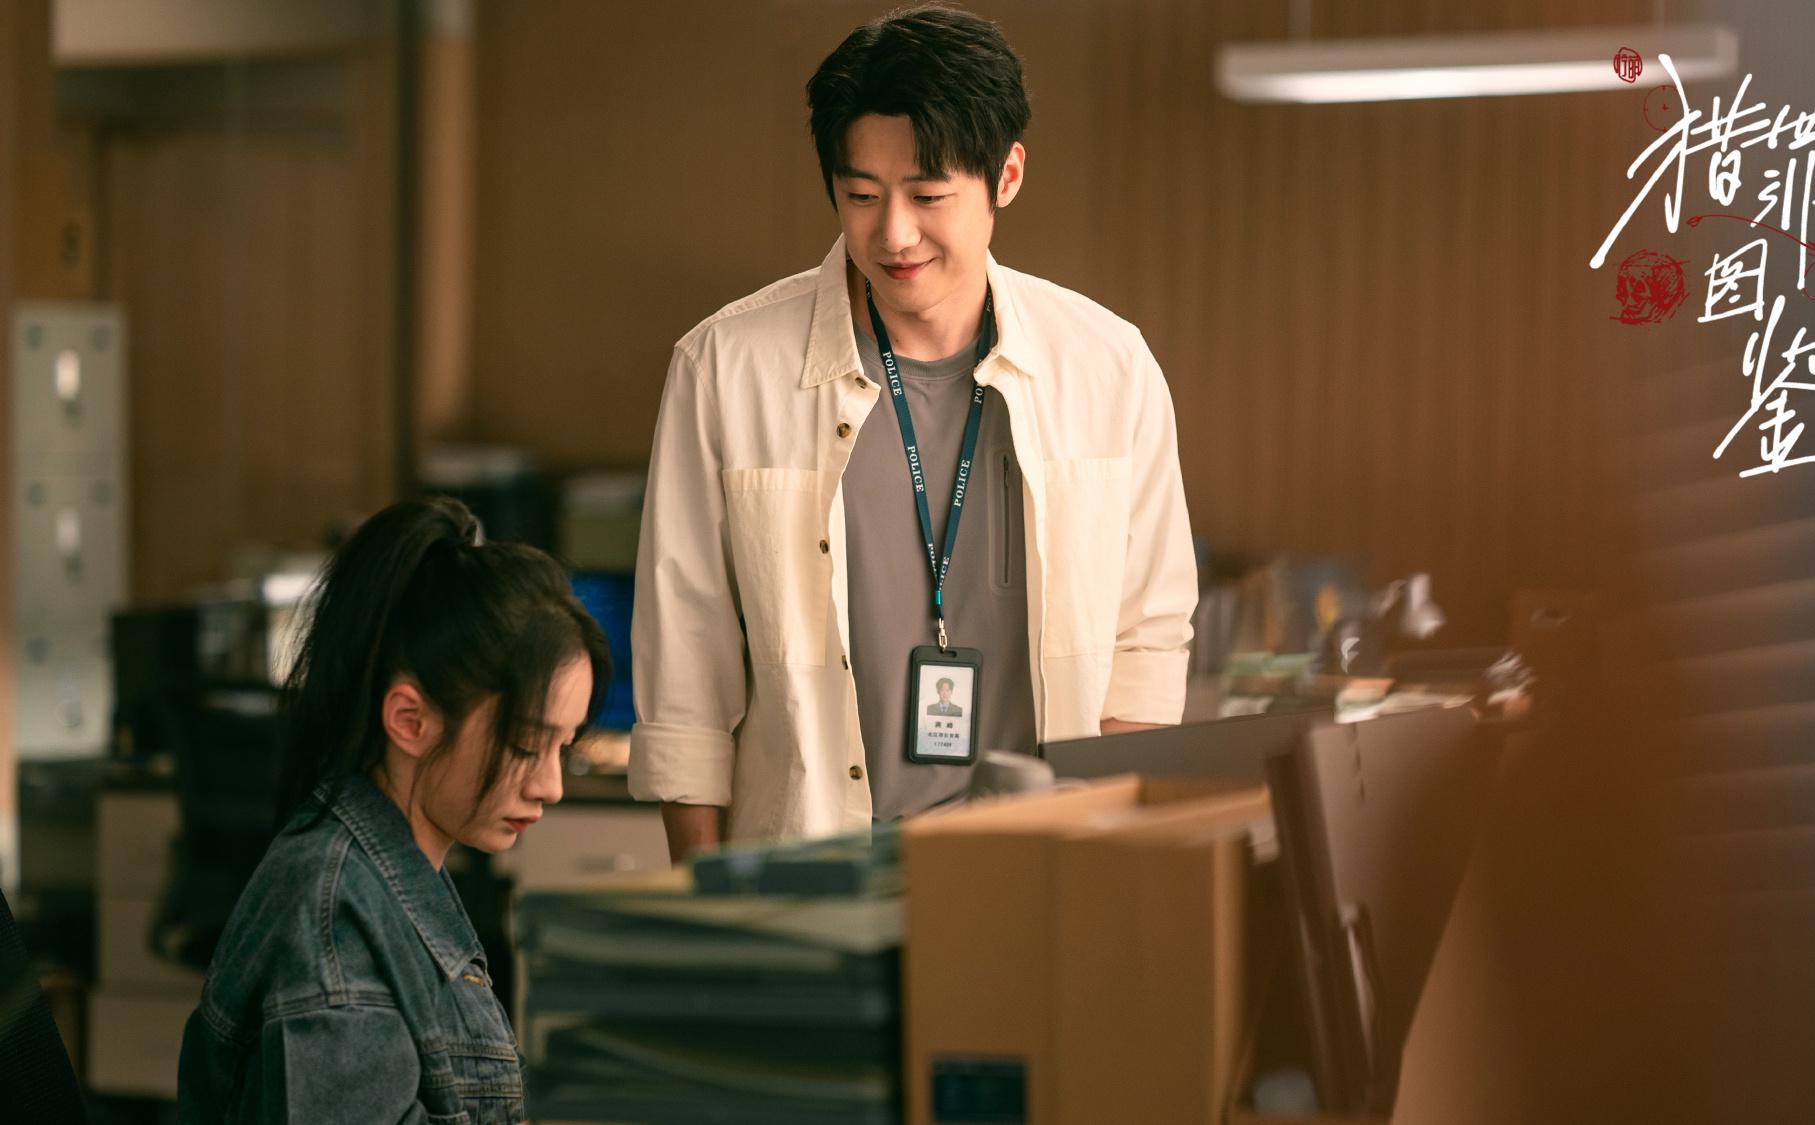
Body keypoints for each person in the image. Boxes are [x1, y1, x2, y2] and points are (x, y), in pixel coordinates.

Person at [632, 4, 1197, 856]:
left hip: (1039, 869)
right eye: (861, 196)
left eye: (929, 196)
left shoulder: (1109, 368)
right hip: (808, 877)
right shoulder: (724, 368)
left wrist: (1106, 867)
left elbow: (1146, 645)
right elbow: (685, 665)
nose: (893, 235)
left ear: (1006, 176)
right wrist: (708, 903)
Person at [177, 497, 611, 1124]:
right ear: (410, 720)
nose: (552, 786)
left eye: (562, 749)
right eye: (524, 745)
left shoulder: (391, 875)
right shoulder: (337, 923)